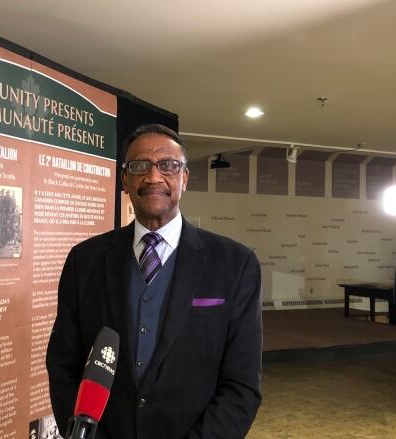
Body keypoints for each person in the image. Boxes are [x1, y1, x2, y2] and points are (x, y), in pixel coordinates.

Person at [46, 124, 262, 439]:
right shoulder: (85, 260)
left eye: (168, 166)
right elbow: (64, 366)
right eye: (139, 166)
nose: (153, 177)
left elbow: (242, 384)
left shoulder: (235, 264)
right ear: (124, 179)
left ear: (184, 178)